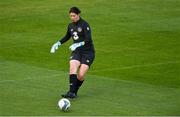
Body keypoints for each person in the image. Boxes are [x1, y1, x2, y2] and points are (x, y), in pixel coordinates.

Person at [50, 7, 95, 98]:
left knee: (81, 75)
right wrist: (58, 43)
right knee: (72, 67)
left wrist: (79, 44)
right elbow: (67, 36)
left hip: (88, 52)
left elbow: (88, 39)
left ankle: (74, 91)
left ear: (78, 15)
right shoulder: (70, 26)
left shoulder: (84, 24)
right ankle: (71, 92)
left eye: (74, 16)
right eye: (70, 16)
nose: (72, 18)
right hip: (77, 51)